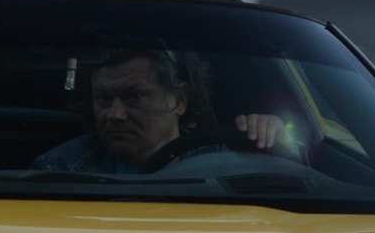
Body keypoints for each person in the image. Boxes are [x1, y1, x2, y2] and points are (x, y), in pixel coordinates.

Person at [34, 50, 288, 175]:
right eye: (103, 98)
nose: (115, 114)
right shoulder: (59, 169)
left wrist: (274, 143)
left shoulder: (229, 163)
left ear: (179, 99)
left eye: (134, 97)